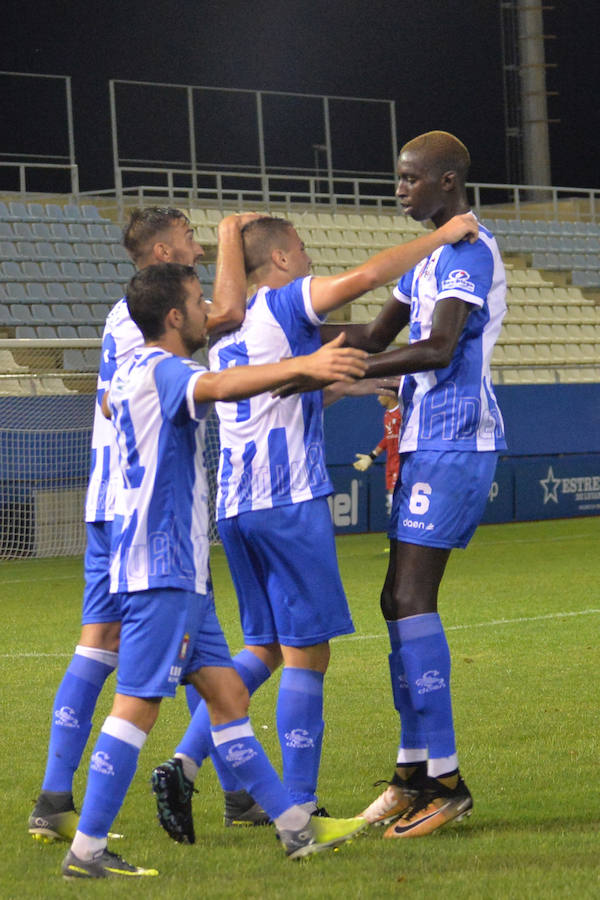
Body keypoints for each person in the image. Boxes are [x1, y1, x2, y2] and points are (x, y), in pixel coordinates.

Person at [150, 206, 479, 841]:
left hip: (236, 511)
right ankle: (297, 810)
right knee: (309, 657)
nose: (306, 257)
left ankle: (185, 763)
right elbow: (363, 277)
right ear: (278, 258)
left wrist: (350, 380)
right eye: (299, 246)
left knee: (263, 649)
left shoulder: (229, 334)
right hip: (288, 505)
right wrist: (438, 240)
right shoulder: (283, 304)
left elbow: (291, 392)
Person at [61, 263, 370, 878]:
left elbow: (223, 388)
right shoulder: (161, 370)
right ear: (174, 317)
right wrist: (303, 366)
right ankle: (86, 851)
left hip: (183, 575)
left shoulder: (129, 373)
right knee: (137, 706)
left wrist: (309, 373)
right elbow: (222, 388)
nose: (211, 309)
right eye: (200, 301)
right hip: (162, 570)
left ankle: (295, 830)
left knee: (228, 695)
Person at [28, 207, 249, 843]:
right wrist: (234, 237)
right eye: (187, 237)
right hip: (141, 510)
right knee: (141, 648)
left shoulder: (128, 316)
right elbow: (224, 317)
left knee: (116, 647)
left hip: (119, 506)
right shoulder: (145, 319)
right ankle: (78, 815)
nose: (197, 245)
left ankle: (56, 797)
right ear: (160, 253)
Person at [321, 130, 507, 838]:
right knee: (392, 599)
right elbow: (371, 336)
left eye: (409, 179)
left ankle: (448, 782)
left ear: (448, 184)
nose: (399, 189)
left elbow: (437, 347)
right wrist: (289, 348)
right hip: (424, 441)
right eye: (398, 178)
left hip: (458, 441)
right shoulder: (427, 259)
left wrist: (346, 375)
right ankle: (411, 772)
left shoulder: (468, 251)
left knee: (408, 596)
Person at [353, 393, 402, 516]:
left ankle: (400, 530)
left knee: (395, 501)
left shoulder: (402, 413)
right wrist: (371, 456)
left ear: (389, 395)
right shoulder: (387, 415)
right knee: (392, 502)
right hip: (390, 463)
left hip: (400, 463)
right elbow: (387, 438)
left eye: (381, 395)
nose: (378, 398)